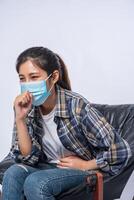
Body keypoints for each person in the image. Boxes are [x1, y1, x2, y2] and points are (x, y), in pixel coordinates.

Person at [1, 47, 132, 200]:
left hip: (79, 171)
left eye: (34, 77)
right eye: (22, 78)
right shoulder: (26, 107)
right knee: (12, 174)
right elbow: (25, 158)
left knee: (36, 182)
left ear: (54, 76)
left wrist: (85, 165)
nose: (27, 84)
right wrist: (20, 119)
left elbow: (121, 151)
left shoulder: (77, 106)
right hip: (47, 167)